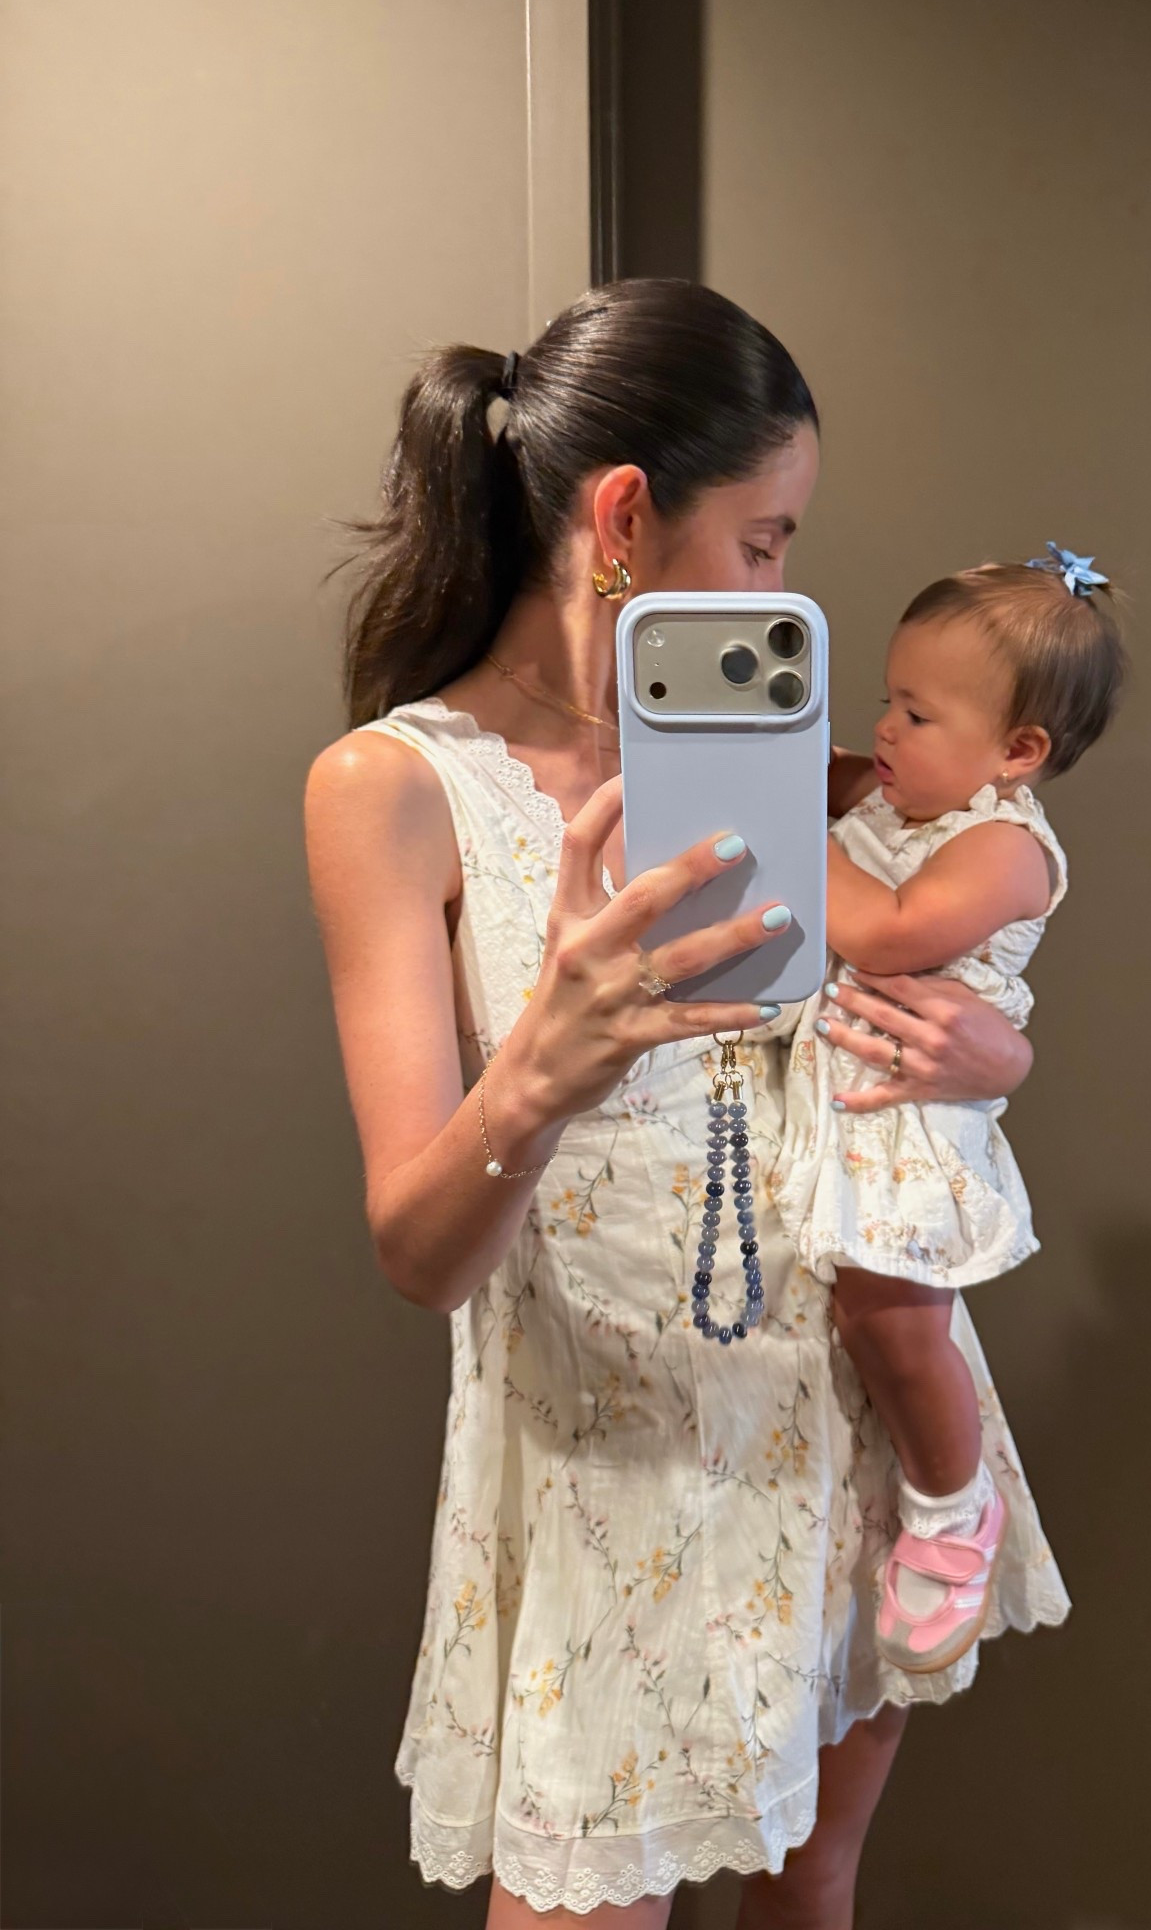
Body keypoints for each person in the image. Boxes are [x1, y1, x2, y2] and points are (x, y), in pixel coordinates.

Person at [304, 278, 1068, 1929]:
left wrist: (990, 1055)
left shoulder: (782, 752)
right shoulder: (397, 788)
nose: (782, 592)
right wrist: (549, 1057)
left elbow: (937, 968)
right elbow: (419, 1253)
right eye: (764, 540)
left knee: (816, 1883)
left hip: (842, 1418)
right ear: (625, 518)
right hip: (610, 1467)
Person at [774, 554, 1125, 1675]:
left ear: (1017, 752)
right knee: (850, 1315)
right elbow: (823, 775)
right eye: (887, 697)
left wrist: (785, 830)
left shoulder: (1006, 847)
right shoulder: (901, 795)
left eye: (917, 714)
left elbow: (886, 931)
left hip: (906, 1123)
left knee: (894, 1319)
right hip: (837, 1098)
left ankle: (951, 1509)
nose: (885, 727)